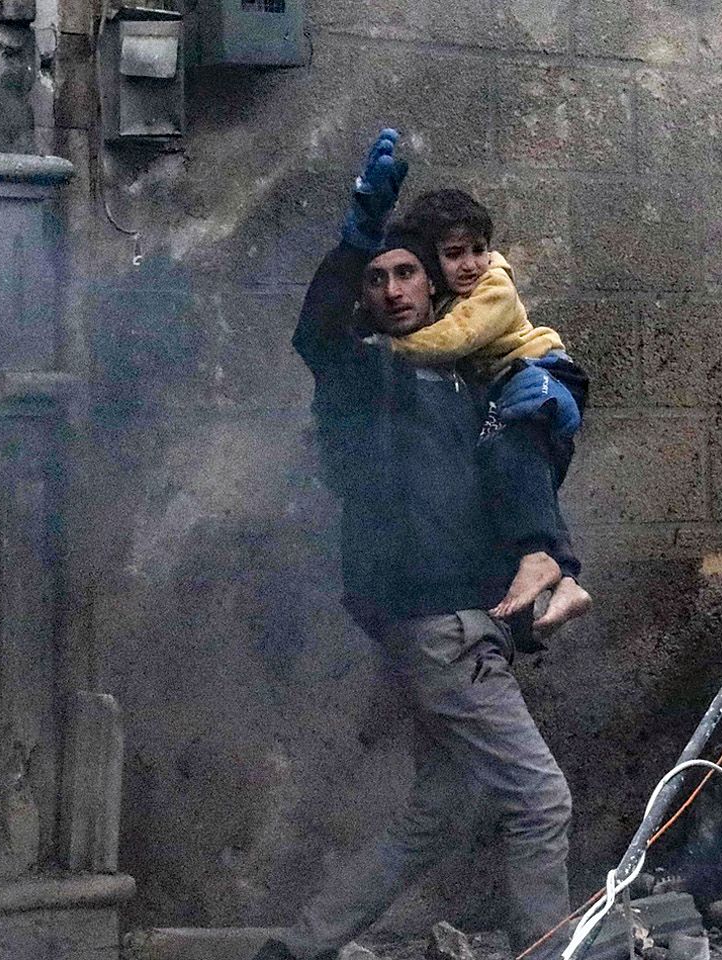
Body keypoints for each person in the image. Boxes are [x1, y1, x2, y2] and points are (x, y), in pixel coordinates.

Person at [253, 130, 585, 960]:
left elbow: (509, 462)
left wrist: (552, 389)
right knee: (541, 800)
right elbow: (315, 332)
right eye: (377, 280)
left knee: (432, 816)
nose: (393, 289)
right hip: (439, 623)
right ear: (361, 297)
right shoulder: (360, 371)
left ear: (432, 285)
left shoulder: (461, 374)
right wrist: (360, 232)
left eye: (407, 273)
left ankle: (298, 949)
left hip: (460, 619)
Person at [386, 188, 590, 626]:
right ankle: (567, 580)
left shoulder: (493, 286)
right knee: (523, 480)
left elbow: (457, 337)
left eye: (478, 250)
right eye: (455, 253)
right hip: (510, 383)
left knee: (510, 454)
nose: (471, 264)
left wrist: (390, 347)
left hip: (538, 374)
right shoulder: (445, 295)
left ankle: (539, 556)